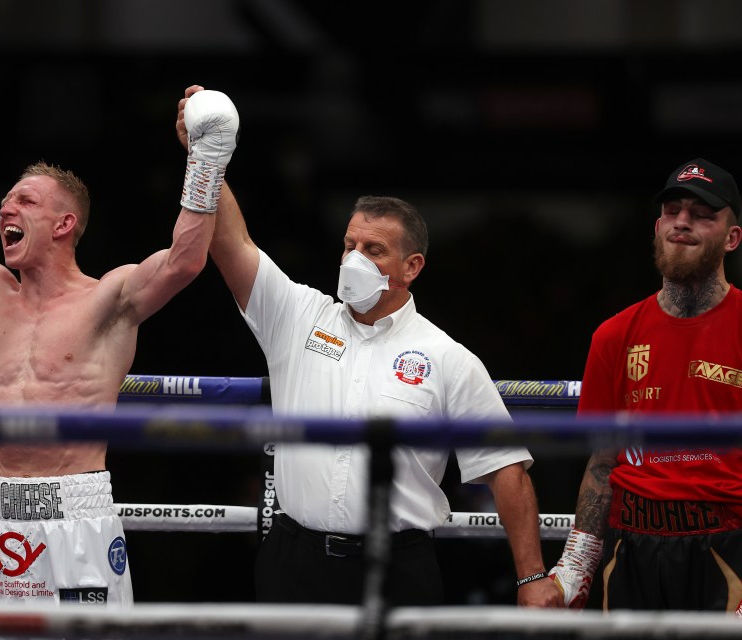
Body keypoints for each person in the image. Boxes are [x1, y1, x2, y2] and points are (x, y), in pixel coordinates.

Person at [175, 86, 561, 608]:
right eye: (349, 245)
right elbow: (234, 244)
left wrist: (532, 577)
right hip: (293, 560)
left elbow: (506, 471)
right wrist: (207, 157)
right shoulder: (298, 315)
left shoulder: (448, 358)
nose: (353, 258)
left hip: (399, 566)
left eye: (373, 250)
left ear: (411, 267)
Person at [0, 88, 239, 608]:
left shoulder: (108, 298)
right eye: (7, 200)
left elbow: (184, 261)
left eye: (26, 200)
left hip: (74, 511)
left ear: (64, 224)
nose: (7, 206)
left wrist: (206, 160)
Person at [549, 157, 742, 612]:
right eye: (673, 211)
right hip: (630, 548)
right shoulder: (614, 335)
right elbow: (601, 462)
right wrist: (576, 565)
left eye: (701, 214)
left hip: (728, 548)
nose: (682, 222)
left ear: (732, 238)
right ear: (657, 227)